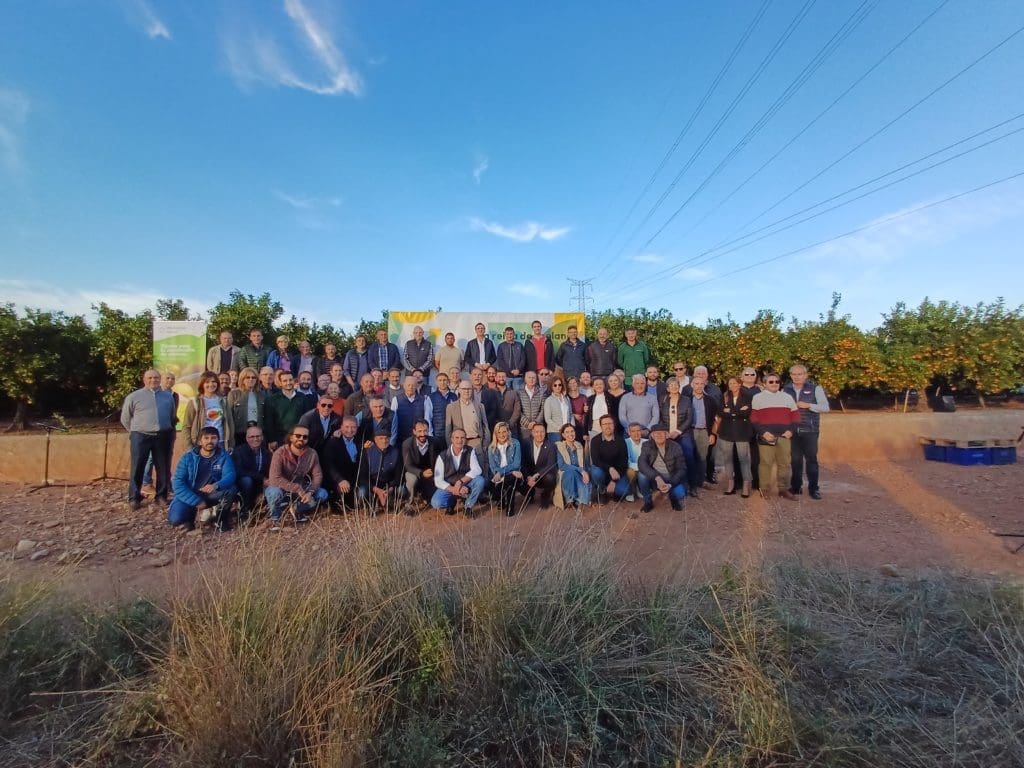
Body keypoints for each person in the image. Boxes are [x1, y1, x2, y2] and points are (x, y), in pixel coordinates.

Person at [121, 369, 176, 511]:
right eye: (150, 377)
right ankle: (134, 498)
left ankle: (161, 496)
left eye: (156, 377)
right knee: (137, 467)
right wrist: (135, 430)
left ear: (160, 379)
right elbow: (125, 418)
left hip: (162, 436)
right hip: (141, 436)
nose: (153, 380)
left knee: (163, 467)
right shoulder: (134, 396)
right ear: (144, 379)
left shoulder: (168, 396)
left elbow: (172, 415)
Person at [169, 427, 237, 531]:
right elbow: (177, 483)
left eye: (213, 438)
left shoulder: (224, 456)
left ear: (218, 440)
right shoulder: (188, 458)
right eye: (206, 438)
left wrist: (216, 485)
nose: (210, 441)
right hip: (190, 494)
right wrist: (196, 501)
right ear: (200, 441)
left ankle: (221, 521)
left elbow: (230, 475)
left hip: (211, 493)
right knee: (176, 519)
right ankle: (189, 518)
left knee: (230, 489)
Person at [264, 424, 328, 530]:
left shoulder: (312, 454)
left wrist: (310, 492)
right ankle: (275, 518)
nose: (301, 439)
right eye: (298, 436)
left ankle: (297, 510)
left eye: (305, 437)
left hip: (301, 488)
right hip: (281, 487)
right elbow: (275, 478)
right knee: (274, 493)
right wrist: (296, 488)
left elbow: (318, 475)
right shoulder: (280, 453)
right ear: (291, 437)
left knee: (322, 494)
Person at [751, 374, 799, 501]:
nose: (774, 384)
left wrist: (791, 431)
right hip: (767, 437)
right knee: (765, 463)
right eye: (771, 381)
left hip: (784, 436)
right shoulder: (758, 397)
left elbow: (796, 416)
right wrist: (763, 432)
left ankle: (783, 489)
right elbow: (754, 418)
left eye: (777, 381)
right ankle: (764, 489)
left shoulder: (787, 397)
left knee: (785, 463)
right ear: (764, 384)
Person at [784, 364, 830, 500]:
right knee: (795, 460)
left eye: (800, 374)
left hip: (810, 430)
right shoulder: (786, 389)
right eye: (794, 374)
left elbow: (825, 407)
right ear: (790, 376)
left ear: (805, 375)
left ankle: (814, 489)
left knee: (811, 460)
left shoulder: (816, 388)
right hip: (793, 430)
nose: (797, 377)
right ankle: (796, 487)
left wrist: (808, 405)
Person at [431, 428, 486, 516]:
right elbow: (438, 480)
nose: (459, 440)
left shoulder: (470, 451)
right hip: (450, 486)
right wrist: (455, 489)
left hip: (465, 483)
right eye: (457, 438)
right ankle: (451, 501)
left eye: (462, 438)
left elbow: (477, 469)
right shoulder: (442, 456)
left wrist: (461, 482)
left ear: (465, 439)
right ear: (452, 439)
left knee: (480, 481)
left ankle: (468, 506)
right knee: (436, 503)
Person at [715, 376, 753, 497]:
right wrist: (737, 412)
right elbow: (720, 411)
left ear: (739, 384)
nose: (732, 385)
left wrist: (730, 412)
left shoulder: (747, 396)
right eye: (730, 383)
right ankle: (730, 483)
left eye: (735, 383)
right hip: (726, 432)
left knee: (744, 459)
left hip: (742, 432)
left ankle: (746, 485)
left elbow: (747, 412)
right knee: (728, 459)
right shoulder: (725, 396)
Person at [659, 376, 697, 494]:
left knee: (688, 457)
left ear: (679, 387)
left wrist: (678, 431)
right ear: (667, 388)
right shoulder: (663, 399)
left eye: (676, 385)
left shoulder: (686, 400)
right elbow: (660, 417)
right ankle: (676, 484)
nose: (674, 387)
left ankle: (692, 485)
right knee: (670, 460)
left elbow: (689, 418)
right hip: (667, 434)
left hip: (683, 433)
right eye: (671, 385)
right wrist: (665, 432)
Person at [638, 424, 687, 512]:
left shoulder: (675, 447)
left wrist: (671, 484)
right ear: (652, 436)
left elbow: (682, 468)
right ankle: (648, 502)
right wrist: (657, 477)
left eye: (662, 433)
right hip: (655, 476)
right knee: (641, 476)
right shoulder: (646, 445)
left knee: (680, 493)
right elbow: (641, 463)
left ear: (667, 435)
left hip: (670, 475)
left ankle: (673, 497)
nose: (659, 435)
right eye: (656, 434)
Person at [182, 371, 234, 451]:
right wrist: (189, 447)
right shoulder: (194, 402)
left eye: (213, 382)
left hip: (220, 442)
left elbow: (230, 423)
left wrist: (230, 444)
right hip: (201, 444)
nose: (211, 384)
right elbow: (187, 426)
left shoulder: (223, 401)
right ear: (202, 384)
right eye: (207, 382)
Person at [687, 378, 721, 497]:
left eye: (701, 384)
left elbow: (716, 419)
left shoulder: (710, 400)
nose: (699, 386)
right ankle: (690, 482)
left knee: (702, 458)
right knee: (689, 457)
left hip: (704, 431)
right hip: (689, 431)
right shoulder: (686, 399)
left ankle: (701, 481)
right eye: (696, 383)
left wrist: (713, 434)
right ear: (692, 385)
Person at [322, 416, 362, 511]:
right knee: (340, 503)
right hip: (339, 480)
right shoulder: (333, 442)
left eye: (353, 427)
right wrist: (339, 480)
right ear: (341, 427)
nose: (350, 430)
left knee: (360, 498)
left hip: (354, 480)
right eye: (346, 427)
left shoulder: (360, 441)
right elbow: (329, 465)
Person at [359, 428, 403, 514]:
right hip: (372, 485)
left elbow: (399, 474)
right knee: (361, 493)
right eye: (381, 438)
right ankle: (371, 504)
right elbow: (362, 476)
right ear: (375, 440)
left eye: (387, 438)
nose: (384, 441)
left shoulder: (396, 452)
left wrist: (390, 489)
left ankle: (390, 502)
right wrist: (377, 490)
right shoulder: (367, 452)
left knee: (402, 490)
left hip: (389, 485)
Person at [232, 425, 271, 521]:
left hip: (259, 485)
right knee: (247, 480)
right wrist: (261, 478)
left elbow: (269, 473)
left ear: (262, 437)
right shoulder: (238, 451)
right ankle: (245, 510)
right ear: (246, 438)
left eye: (258, 436)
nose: (255, 439)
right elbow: (239, 471)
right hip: (242, 484)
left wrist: (262, 491)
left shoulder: (267, 453)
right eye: (252, 437)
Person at [446, 381, 489, 466]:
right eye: (464, 389)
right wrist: (451, 447)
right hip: (459, 443)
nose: (466, 391)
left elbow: (485, 426)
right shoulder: (451, 407)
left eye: (469, 389)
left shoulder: (480, 406)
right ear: (459, 390)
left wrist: (485, 444)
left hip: (476, 442)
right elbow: (448, 430)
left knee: (479, 468)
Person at [402, 419, 440, 513]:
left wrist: (434, 472)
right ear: (414, 431)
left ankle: (425, 496)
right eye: (419, 431)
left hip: (430, 473)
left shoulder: (435, 442)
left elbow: (440, 461)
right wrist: (421, 473)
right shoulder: (407, 444)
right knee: (412, 479)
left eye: (425, 431)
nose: (423, 434)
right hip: (414, 472)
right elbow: (408, 465)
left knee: (434, 500)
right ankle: (409, 503)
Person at [589, 414, 630, 502]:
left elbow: (624, 462)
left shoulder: (620, 440)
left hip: (617, 472)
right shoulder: (595, 440)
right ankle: (602, 491)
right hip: (602, 471)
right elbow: (596, 460)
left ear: (614, 425)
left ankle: (614, 491)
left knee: (624, 491)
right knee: (596, 472)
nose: (608, 426)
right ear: (601, 426)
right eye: (605, 424)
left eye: (610, 423)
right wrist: (610, 468)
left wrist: (614, 481)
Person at [264, 371, 307, 450]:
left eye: (290, 380)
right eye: (285, 381)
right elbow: (269, 421)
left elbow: (306, 418)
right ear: (280, 383)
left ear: (294, 380)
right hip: (280, 438)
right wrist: (272, 439)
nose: (288, 383)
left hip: (298, 437)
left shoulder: (302, 397)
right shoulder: (272, 399)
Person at [487, 421, 523, 516]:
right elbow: (493, 466)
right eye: (499, 432)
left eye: (504, 432)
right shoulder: (491, 448)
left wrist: (501, 472)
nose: (502, 435)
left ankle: (510, 507)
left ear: (508, 432)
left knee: (511, 480)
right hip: (499, 476)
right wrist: (498, 473)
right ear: (495, 434)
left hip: (513, 474)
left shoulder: (515, 443)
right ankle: (501, 500)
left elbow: (516, 464)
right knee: (490, 486)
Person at [554, 424, 591, 510]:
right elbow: (562, 466)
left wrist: (585, 472)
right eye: (567, 432)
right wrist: (581, 470)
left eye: (572, 431)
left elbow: (584, 463)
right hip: (566, 475)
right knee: (571, 473)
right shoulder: (559, 446)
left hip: (579, 474)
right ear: (563, 435)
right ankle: (569, 499)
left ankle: (579, 500)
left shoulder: (579, 445)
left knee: (586, 486)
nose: (570, 434)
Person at [522, 422, 557, 509]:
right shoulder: (525, 443)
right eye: (537, 432)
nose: (539, 434)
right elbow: (522, 463)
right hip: (528, 476)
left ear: (545, 432)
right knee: (518, 477)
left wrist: (537, 475)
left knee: (550, 478)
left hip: (542, 476)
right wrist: (528, 477)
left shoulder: (551, 445)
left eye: (542, 432)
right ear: (532, 433)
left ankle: (545, 495)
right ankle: (530, 493)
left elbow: (551, 465)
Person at [228, 367, 265, 447]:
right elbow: (229, 415)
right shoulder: (234, 394)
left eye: (253, 377)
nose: (251, 380)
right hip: (240, 432)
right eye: (247, 377)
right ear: (242, 379)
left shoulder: (261, 395)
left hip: (257, 431)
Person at [391, 375, 431, 444]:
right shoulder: (396, 400)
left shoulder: (424, 400)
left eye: (413, 385)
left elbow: (427, 419)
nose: (410, 387)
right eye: (408, 385)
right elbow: (393, 421)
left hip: (418, 438)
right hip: (401, 438)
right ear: (404, 386)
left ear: (417, 386)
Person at [428, 372, 458, 447]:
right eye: (440, 380)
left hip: (452, 433)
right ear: (436, 382)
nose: (442, 382)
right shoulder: (431, 397)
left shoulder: (454, 396)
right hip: (437, 434)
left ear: (448, 381)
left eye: (444, 380)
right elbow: (428, 417)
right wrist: (430, 434)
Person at [624, 422, 651, 504]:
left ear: (641, 431)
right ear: (629, 433)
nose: (636, 433)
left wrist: (643, 467)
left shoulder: (647, 442)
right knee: (630, 472)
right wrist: (641, 467)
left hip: (644, 469)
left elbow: (650, 459)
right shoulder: (625, 443)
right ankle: (633, 490)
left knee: (643, 475)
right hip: (632, 468)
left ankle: (642, 489)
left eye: (638, 430)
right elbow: (627, 461)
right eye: (633, 431)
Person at [517, 371, 546, 446]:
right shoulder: (518, 392)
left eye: (533, 378)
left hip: (538, 427)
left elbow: (543, 409)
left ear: (536, 379)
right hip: (524, 428)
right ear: (525, 379)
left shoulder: (541, 392)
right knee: (526, 448)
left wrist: (536, 422)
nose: (531, 379)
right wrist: (527, 423)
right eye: (529, 377)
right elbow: (517, 410)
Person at [470, 368, 501, 434]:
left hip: (486, 427)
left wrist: (484, 423)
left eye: (479, 375)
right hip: (470, 427)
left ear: (483, 377)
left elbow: (493, 411)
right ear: (471, 376)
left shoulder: (491, 392)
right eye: (475, 374)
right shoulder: (465, 391)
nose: (477, 377)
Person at [495, 326, 526, 390]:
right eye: (507, 334)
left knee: (518, 394)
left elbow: (523, 359)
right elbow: (500, 361)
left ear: (514, 334)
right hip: (506, 376)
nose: (509, 336)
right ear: (505, 335)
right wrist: (510, 371)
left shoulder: (519, 345)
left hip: (518, 376)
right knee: (506, 394)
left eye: (511, 334)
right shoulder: (501, 346)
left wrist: (518, 370)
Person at [543, 377, 572, 444]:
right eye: (555, 385)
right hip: (554, 432)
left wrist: (569, 427)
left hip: (567, 432)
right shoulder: (549, 400)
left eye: (559, 385)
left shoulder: (566, 398)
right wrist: (559, 428)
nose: (557, 387)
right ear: (551, 386)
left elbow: (570, 414)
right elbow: (547, 419)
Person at [494, 371, 521, 438]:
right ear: (496, 378)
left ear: (506, 378)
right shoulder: (491, 392)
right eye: (499, 377)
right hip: (496, 428)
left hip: (511, 428)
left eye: (503, 376)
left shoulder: (513, 393)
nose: (501, 378)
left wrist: (510, 423)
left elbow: (517, 410)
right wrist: (497, 424)